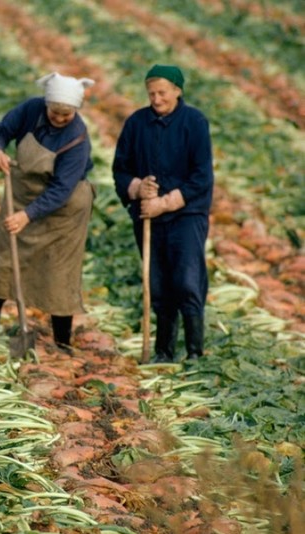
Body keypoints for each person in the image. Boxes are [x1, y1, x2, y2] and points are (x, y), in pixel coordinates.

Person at [0, 72, 96, 353]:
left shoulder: (78, 138)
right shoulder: (30, 110)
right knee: (2, 263)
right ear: (46, 103)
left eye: (67, 114)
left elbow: (61, 189)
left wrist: (27, 215)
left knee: (59, 272)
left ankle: (62, 344)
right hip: (22, 193)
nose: (60, 118)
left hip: (64, 210)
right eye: (56, 112)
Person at [112, 65, 214, 363]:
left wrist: (166, 202)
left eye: (162, 93)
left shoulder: (194, 122)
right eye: (151, 93)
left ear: (178, 91)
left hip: (186, 214)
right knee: (157, 283)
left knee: (185, 279)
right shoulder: (136, 123)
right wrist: (136, 187)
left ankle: (195, 351)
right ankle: (163, 351)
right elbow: (120, 169)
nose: (156, 99)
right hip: (147, 217)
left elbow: (201, 177)